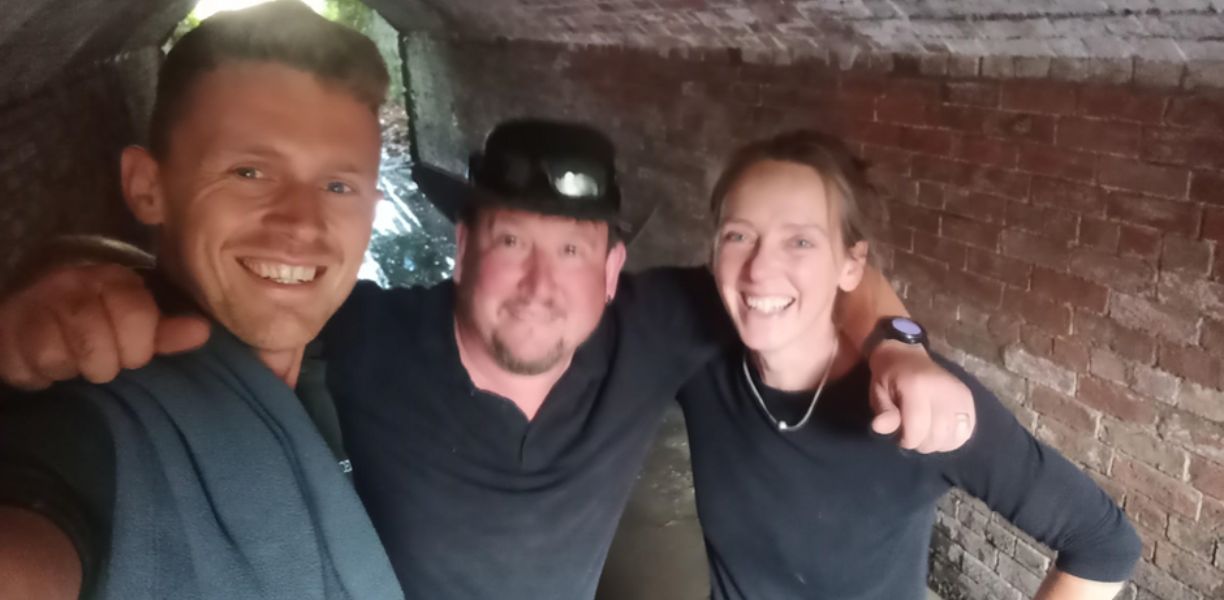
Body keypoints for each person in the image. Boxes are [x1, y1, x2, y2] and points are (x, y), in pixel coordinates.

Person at [0, 120, 978, 597]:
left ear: (613, 269)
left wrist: (899, 345)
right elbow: (197, 304)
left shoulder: (659, 322)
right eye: (511, 242)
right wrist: (80, 270)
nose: (540, 282)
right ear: (462, 248)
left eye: (572, 249)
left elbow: (825, 269)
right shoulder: (370, 333)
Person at [0, 3, 404, 598]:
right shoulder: (101, 423)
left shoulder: (366, 352)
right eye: (250, 172)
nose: (301, 225)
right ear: (147, 188)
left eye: (338, 186)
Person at [678, 130, 1142, 600]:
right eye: (739, 235)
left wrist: (900, 345)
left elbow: (1102, 544)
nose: (759, 268)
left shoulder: (919, 402)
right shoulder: (696, 355)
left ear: (851, 264)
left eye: (800, 242)